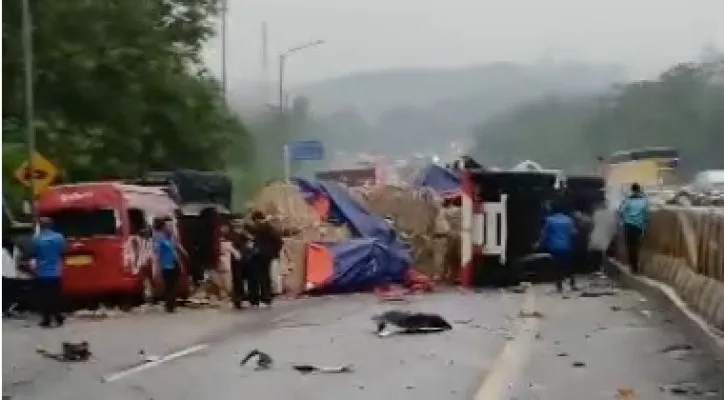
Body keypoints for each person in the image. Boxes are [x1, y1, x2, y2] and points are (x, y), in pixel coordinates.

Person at [30, 217, 67, 327]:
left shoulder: (36, 239)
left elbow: (33, 253)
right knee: (55, 295)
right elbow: (63, 251)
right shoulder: (59, 237)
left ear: (40, 226)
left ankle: (46, 319)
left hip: (42, 272)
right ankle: (58, 316)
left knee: (44, 297)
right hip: (56, 271)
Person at [246, 211, 282, 307]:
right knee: (264, 277)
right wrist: (274, 253)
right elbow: (279, 242)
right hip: (265, 256)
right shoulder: (270, 228)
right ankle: (264, 298)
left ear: (257, 220)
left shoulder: (262, 228)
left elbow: (250, 228)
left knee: (260, 277)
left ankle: (261, 298)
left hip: (261, 256)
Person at [539, 201, 577, 294]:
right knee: (568, 265)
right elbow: (574, 233)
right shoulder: (568, 220)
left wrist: (540, 244)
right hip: (567, 246)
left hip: (554, 247)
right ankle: (572, 283)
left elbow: (544, 234)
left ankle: (559, 286)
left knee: (556, 267)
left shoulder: (550, 220)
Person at [618, 183, 649, 274]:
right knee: (636, 246)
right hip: (639, 227)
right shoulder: (644, 201)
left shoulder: (627, 200)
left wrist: (624, 220)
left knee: (630, 246)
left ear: (632, 190)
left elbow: (621, 211)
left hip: (628, 226)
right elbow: (646, 215)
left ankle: (633, 266)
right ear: (639, 190)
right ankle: (635, 266)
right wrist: (645, 226)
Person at [153, 218, 181, 313]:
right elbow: (156, 252)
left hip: (173, 264)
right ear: (163, 227)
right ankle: (170, 305)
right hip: (165, 265)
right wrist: (157, 267)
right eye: (168, 226)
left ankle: (171, 304)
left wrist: (179, 262)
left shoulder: (170, 238)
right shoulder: (159, 237)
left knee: (172, 285)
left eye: (171, 226)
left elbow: (174, 251)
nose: (170, 228)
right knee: (169, 285)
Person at [588, 198, 618, 274]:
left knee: (596, 254)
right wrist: (613, 236)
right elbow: (614, 227)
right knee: (605, 254)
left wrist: (589, 235)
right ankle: (604, 269)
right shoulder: (612, 214)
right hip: (607, 237)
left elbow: (592, 225)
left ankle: (597, 269)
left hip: (596, 236)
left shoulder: (596, 213)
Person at [213, 224, 239, 300]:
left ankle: (222, 295)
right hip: (226, 265)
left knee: (219, 282)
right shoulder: (228, 244)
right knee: (227, 283)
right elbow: (237, 255)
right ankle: (227, 295)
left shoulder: (215, 243)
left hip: (217, 265)